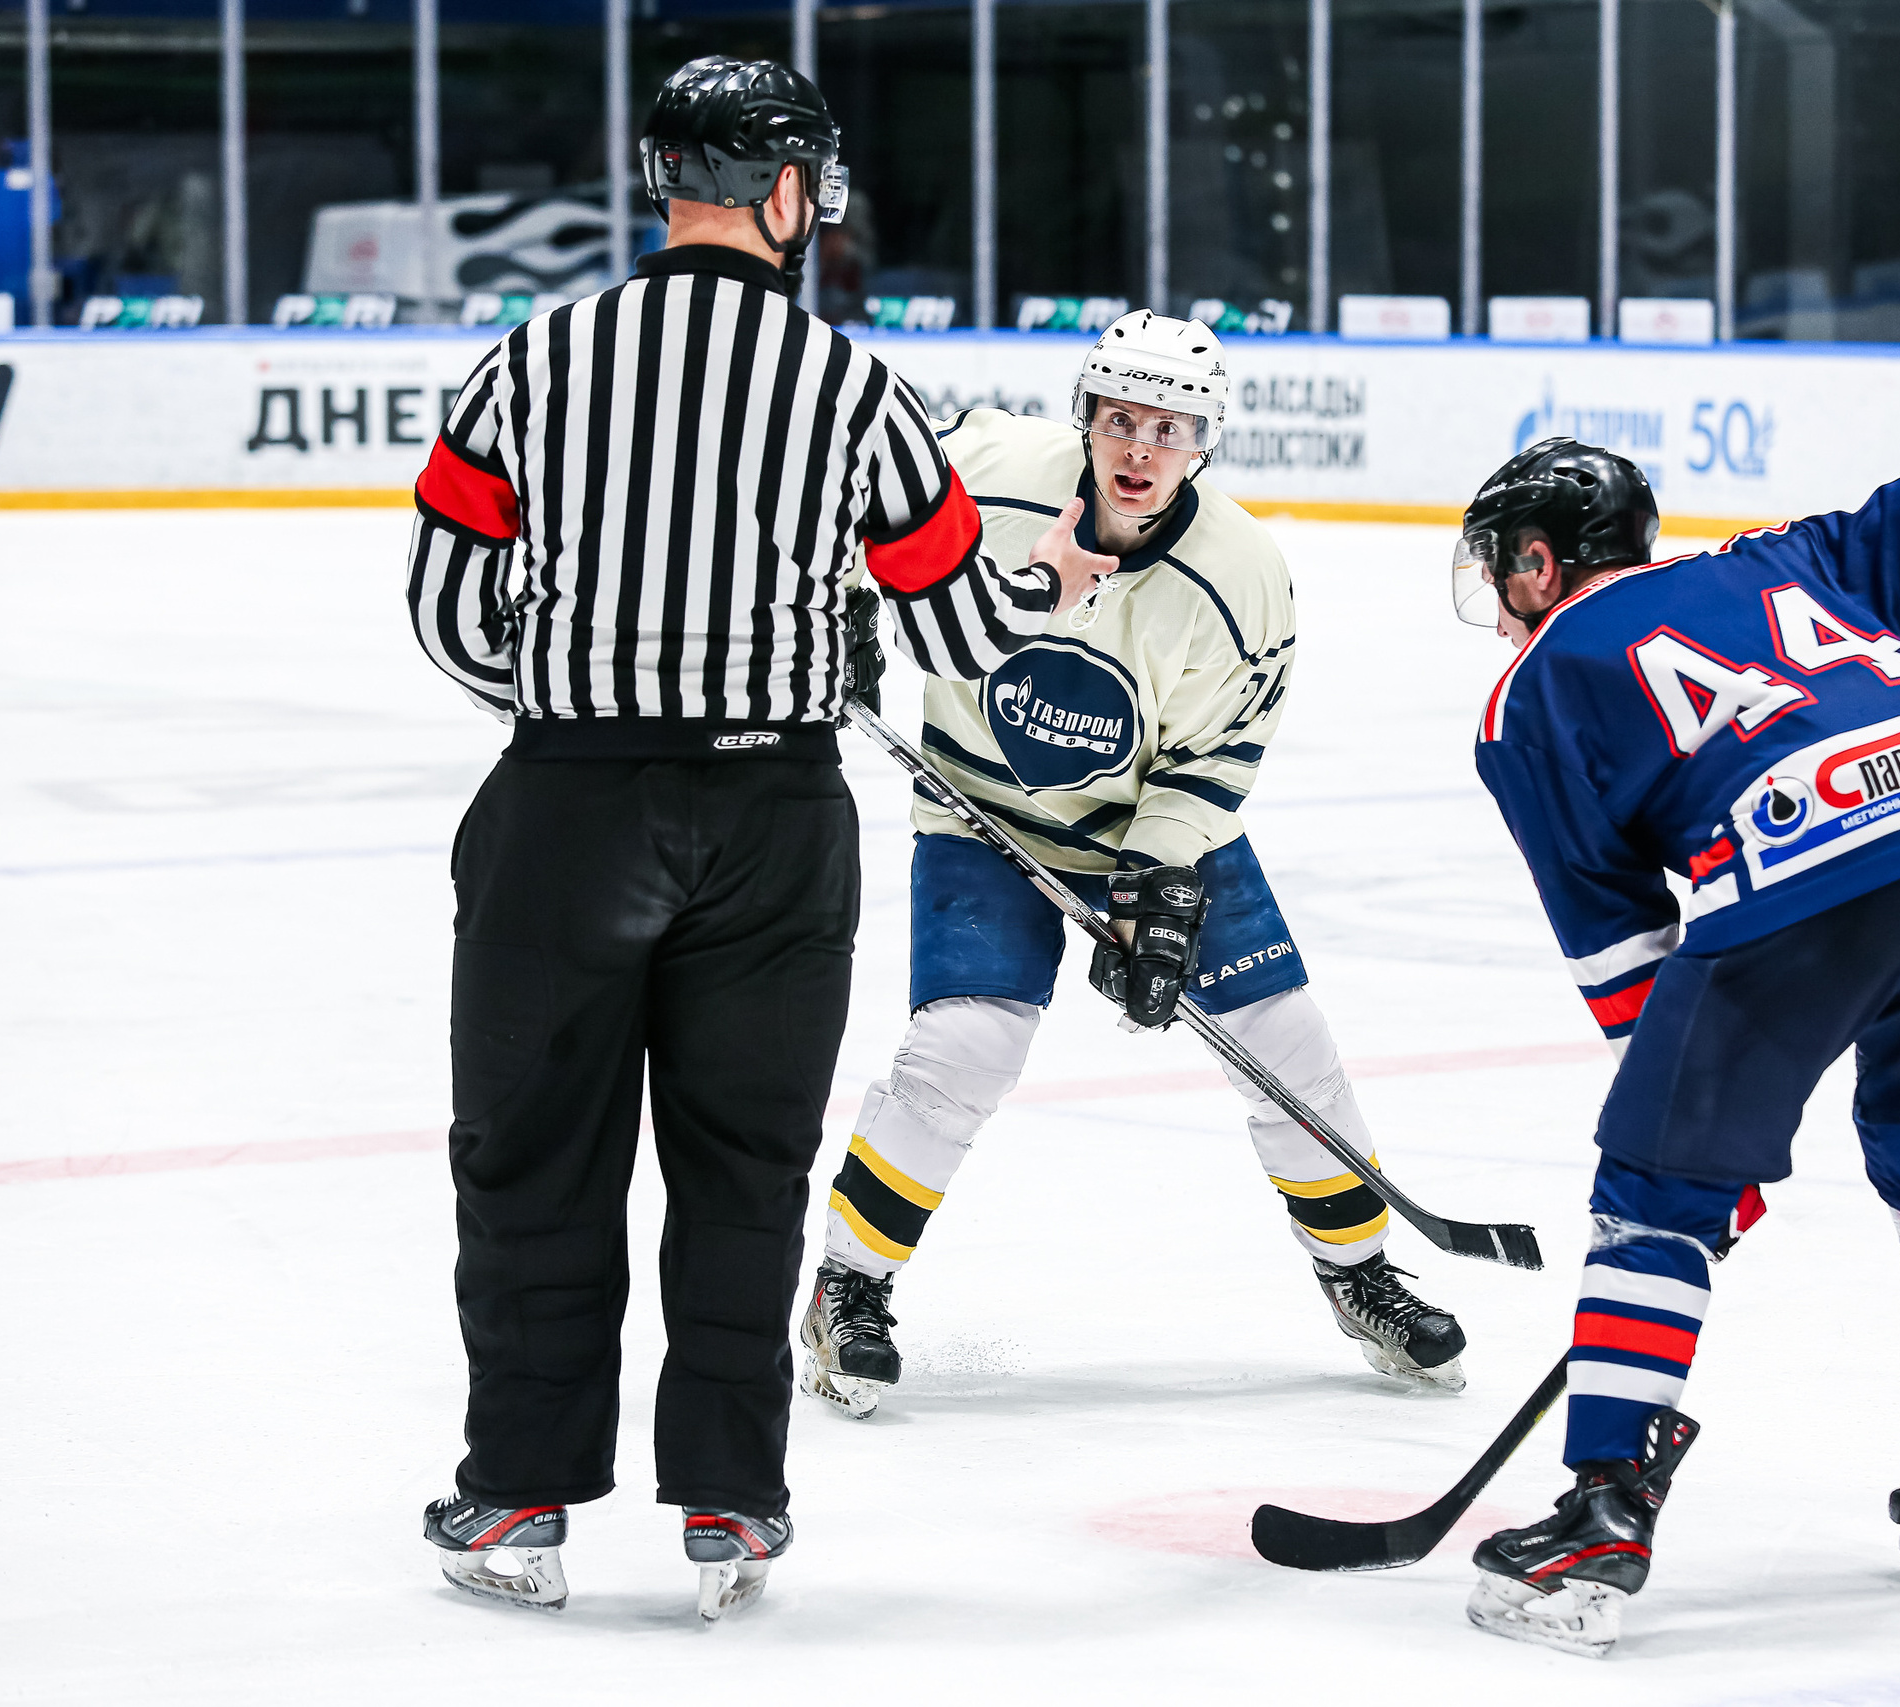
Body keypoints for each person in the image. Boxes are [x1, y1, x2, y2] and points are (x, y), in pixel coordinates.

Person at [402, 56, 1110, 1619]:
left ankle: (519, 1489)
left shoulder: (533, 358)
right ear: (784, 191)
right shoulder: (851, 384)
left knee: (533, 1160)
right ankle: (730, 1498)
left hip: (569, 812)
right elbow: (957, 628)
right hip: (777, 819)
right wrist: (1051, 582)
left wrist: (607, 692)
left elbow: (449, 616)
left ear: (671, 183)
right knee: (742, 1164)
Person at [1451, 438, 1900, 1657]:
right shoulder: (1786, 557)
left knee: (1651, 1198)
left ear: (1535, 561)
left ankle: (1603, 1510)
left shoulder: (1532, 691)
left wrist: (1694, 1165)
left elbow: (1619, 950)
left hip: (1813, 858)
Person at [796, 311, 1470, 1422]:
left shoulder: (1243, 577)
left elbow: (1218, 756)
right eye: (1120, 419)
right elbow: (854, 494)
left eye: (1170, 427)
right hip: (984, 813)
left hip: (1145, 822)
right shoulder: (993, 473)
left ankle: (1359, 1274)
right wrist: (847, 610)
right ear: (1086, 416)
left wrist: (1156, 883)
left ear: (1205, 438)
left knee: (1284, 1044)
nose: (1140, 449)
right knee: (962, 1046)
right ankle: (848, 1286)